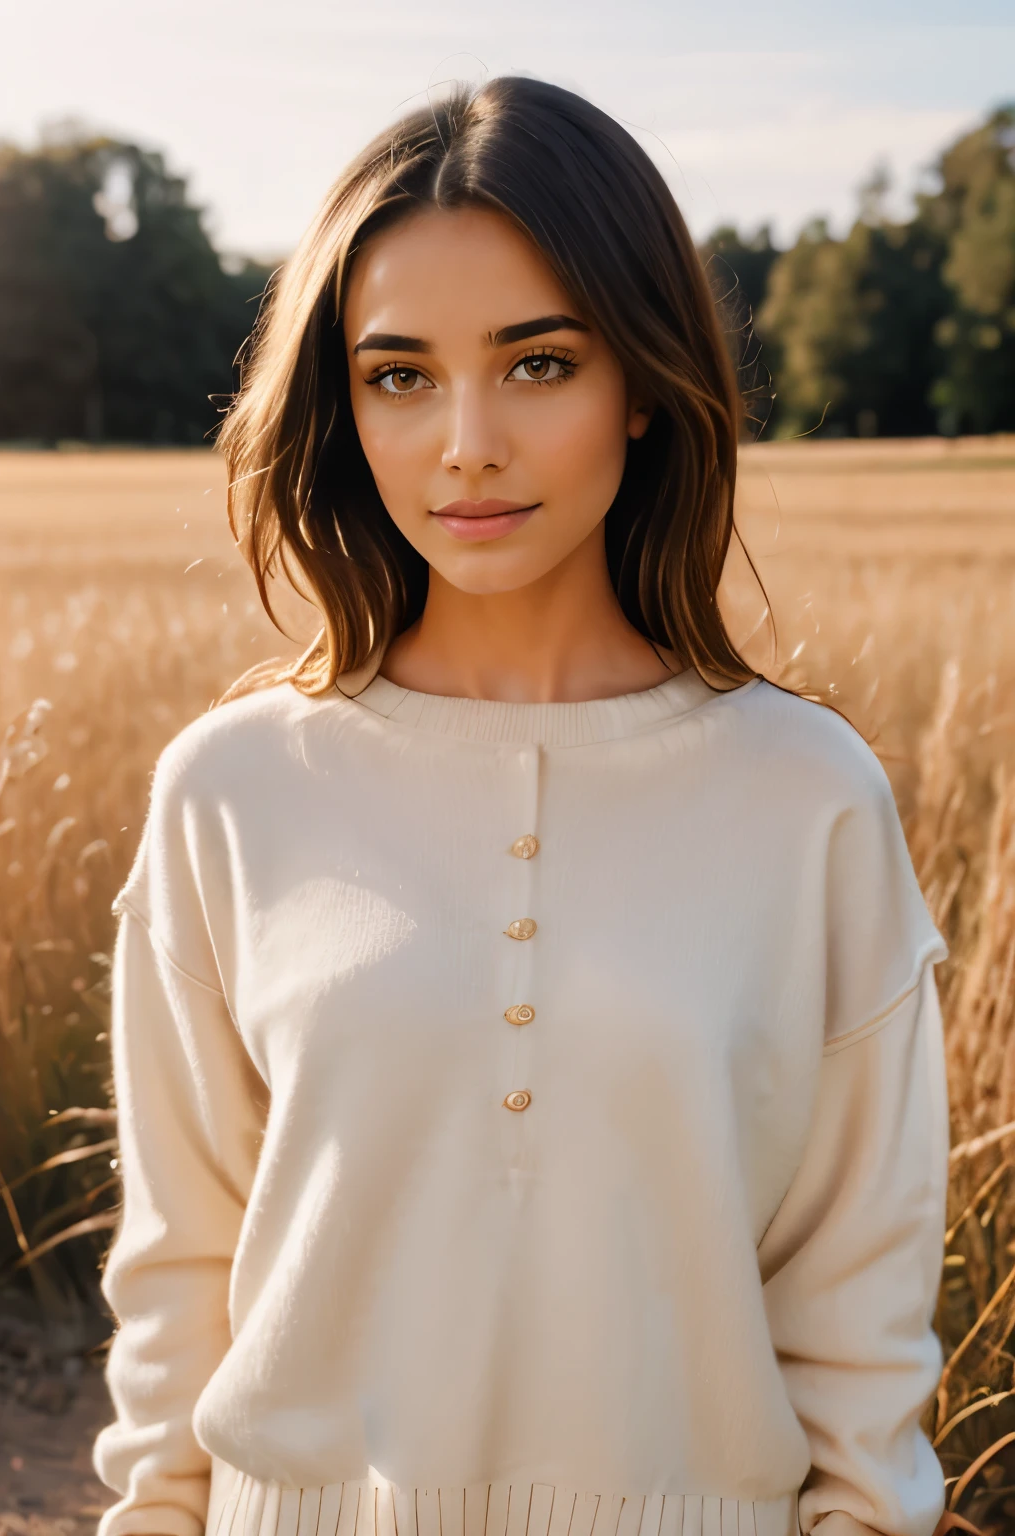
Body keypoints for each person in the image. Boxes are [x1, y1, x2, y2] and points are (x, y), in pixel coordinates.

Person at [92, 75, 951, 1536]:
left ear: (644, 386)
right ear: (340, 403)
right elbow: (178, 1293)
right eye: (400, 374)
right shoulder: (228, 793)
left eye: (538, 365)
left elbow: (859, 1342)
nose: (464, 443)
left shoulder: (811, 801)